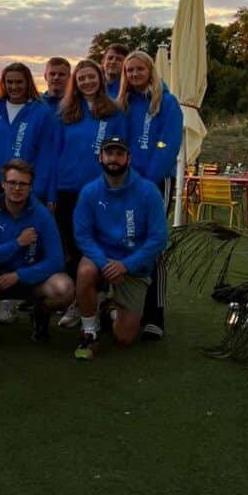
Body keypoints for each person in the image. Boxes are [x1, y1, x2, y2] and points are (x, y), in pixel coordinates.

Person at [72, 137, 168, 359]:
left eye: (119, 154)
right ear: (101, 157)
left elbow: (158, 238)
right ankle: (89, 331)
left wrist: (126, 265)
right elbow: (83, 236)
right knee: (85, 270)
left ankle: (109, 309)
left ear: (128, 158)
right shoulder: (89, 191)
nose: (113, 159)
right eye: (109, 154)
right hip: (102, 259)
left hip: (133, 265)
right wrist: (105, 264)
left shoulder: (148, 191)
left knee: (124, 339)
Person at [50, 59, 126, 329]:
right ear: (76, 83)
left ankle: (103, 299)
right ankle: (76, 302)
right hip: (67, 190)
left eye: (91, 77)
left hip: (101, 192)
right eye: (81, 78)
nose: (87, 82)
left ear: (100, 79)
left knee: (100, 245)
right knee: (71, 247)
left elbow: (123, 154)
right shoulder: (65, 112)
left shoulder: (114, 113)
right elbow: (54, 155)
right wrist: (51, 193)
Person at [0, 159, 72, 344]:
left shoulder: (42, 215)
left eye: (23, 184)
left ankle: (40, 314)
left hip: (32, 280)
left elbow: (57, 260)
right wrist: (17, 243)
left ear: (31, 187)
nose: (17, 188)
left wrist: (19, 275)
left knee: (64, 288)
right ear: (3, 184)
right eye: (12, 182)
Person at [118, 50, 182, 339]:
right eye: (129, 70)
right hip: (125, 184)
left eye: (138, 69)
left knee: (152, 245)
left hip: (156, 183)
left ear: (150, 70)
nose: (133, 74)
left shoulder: (167, 103)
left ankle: (155, 316)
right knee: (127, 242)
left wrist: (147, 181)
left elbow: (166, 145)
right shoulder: (125, 104)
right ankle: (131, 309)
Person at [0, 62, 54, 205]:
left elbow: (45, 154)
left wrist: (38, 190)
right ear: (3, 83)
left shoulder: (42, 111)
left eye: (19, 82)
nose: (14, 87)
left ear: (28, 83)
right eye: (9, 82)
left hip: (23, 186)